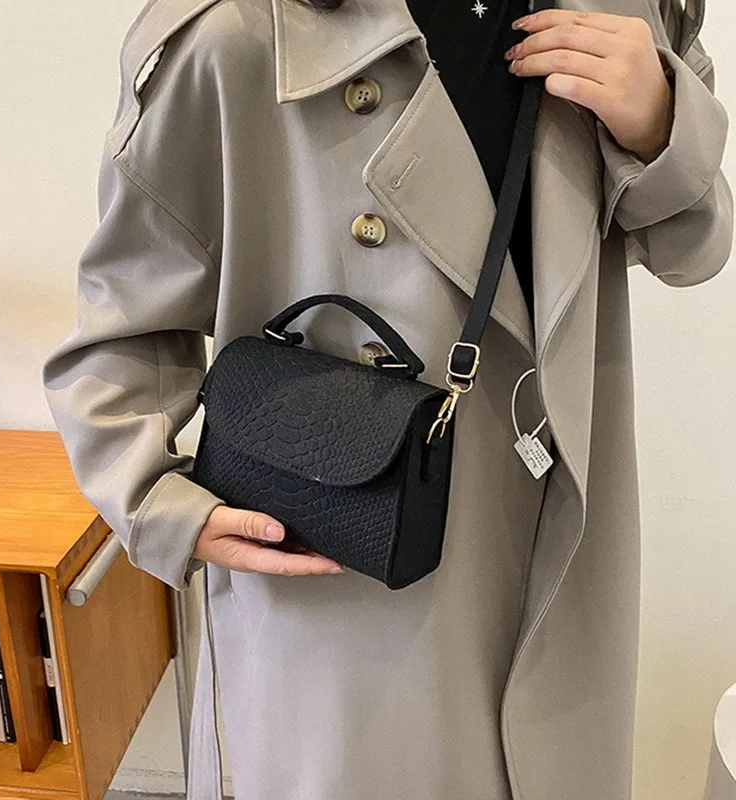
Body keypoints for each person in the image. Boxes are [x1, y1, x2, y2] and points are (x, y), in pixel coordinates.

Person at [41, 0, 733, 797]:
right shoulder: (237, 34)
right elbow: (120, 326)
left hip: (569, 554)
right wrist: (161, 506)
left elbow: (693, 247)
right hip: (350, 584)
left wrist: (658, 124)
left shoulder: (627, 9)